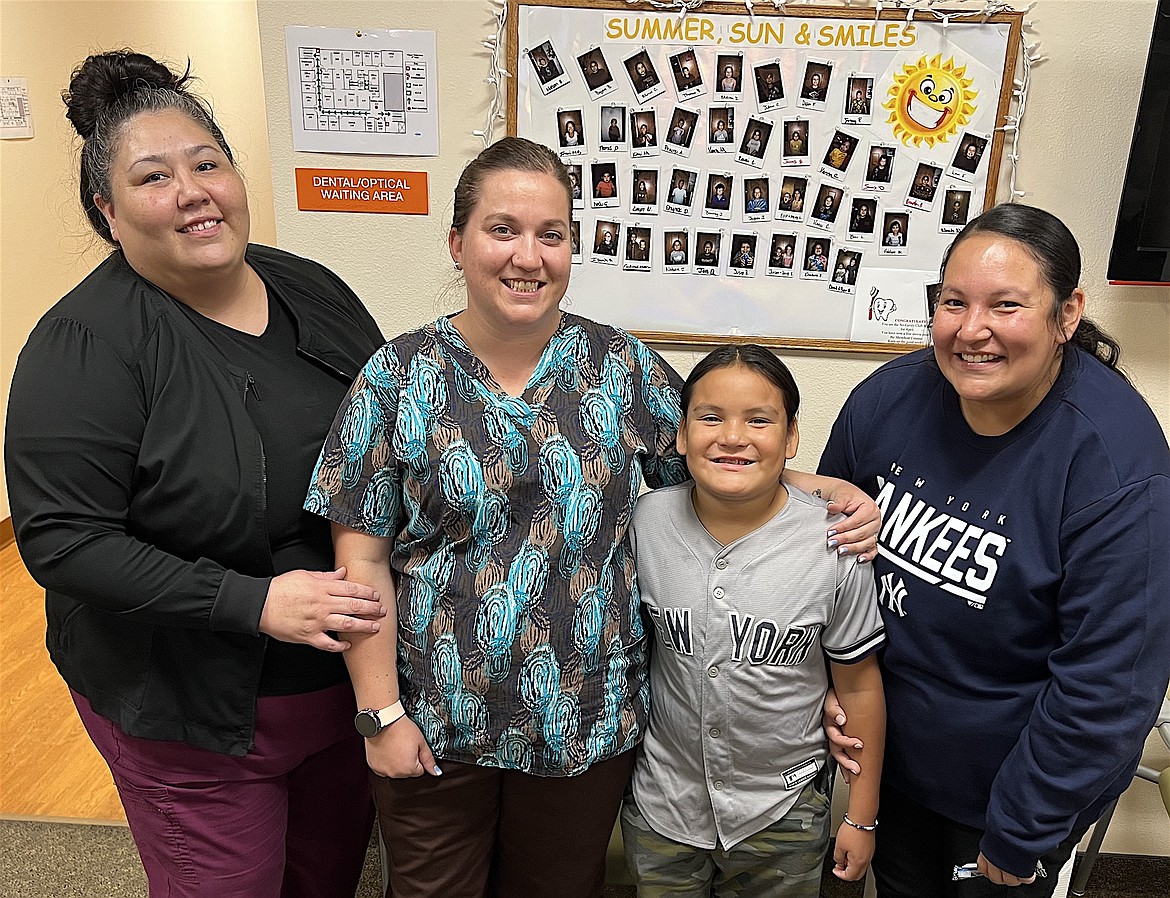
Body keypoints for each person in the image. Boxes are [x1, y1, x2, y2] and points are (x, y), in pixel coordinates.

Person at [302, 136, 881, 898]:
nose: (528, 256)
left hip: (587, 725)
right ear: (457, 241)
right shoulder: (397, 377)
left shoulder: (621, 368)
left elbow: (710, 455)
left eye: (552, 235)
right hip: (436, 725)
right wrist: (378, 714)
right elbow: (362, 560)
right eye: (502, 229)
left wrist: (813, 484)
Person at [4, 50, 383, 898]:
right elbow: (64, 542)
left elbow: (389, 437)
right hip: (194, 717)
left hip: (343, 690)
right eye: (152, 177)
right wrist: (255, 602)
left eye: (208, 162)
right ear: (107, 210)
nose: (192, 190)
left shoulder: (309, 287)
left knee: (326, 876)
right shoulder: (86, 346)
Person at [821, 204, 1170, 897]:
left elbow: (1109, 684)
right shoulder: (887, 400)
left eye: (1005, 305)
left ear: (1066, 313)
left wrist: (1023, 827)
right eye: (954, 302)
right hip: (897, 761)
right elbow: (820, 551)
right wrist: (825, 689)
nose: (971, 330)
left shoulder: (1116, 464)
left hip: (1014, 792)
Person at [622, 345, 886, 897]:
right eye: (710, 417)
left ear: (791, 438)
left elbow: (859, 687)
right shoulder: (646, 522)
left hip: (781, 813)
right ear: (680, 433)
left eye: (758, 420)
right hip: (665, 804)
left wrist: (861, 818)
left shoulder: (835, 543)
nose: (732, 436)